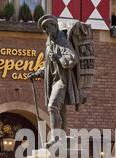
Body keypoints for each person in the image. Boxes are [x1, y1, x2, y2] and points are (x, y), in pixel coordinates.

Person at [28, 14, 85, 148]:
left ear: (54, 26)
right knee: (62, 110)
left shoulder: (62, 40)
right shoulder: (49, 45)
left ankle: (56, 138)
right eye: (45, 29)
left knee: (52, 106)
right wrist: (37, 73)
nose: (47, 32)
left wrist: (59, 57)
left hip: (62, 81)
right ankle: (63, 137)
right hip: (53, 81)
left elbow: (72, 58)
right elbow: (48, 66)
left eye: (48, 28)